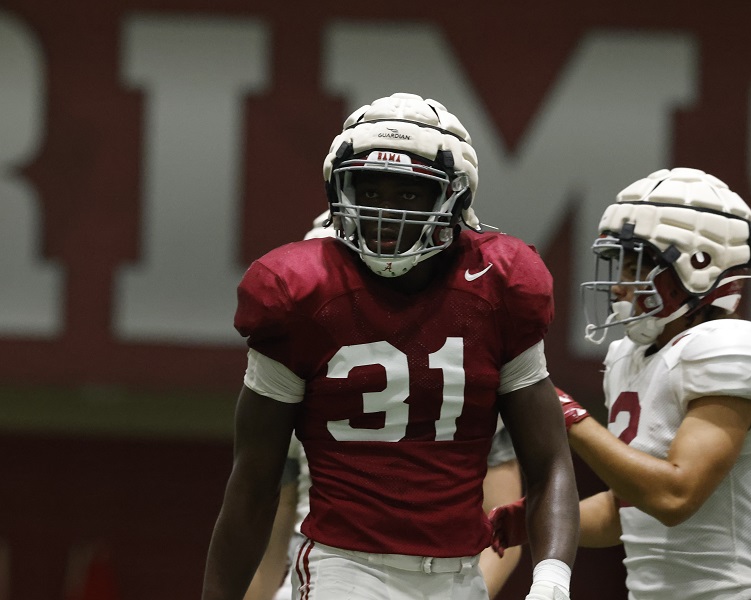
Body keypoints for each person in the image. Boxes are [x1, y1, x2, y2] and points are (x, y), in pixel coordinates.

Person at [201, 92, 578, 600]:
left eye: (407, 194)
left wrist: (553, 575)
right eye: (369, 190)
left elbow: (548, 459)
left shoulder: (498, 285)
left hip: (461, 573)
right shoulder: (299, 292)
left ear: (455, 197)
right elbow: (253, 483)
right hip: (344, 569)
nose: (385, 212)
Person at [492, 167, 751, 599]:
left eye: (637, 263)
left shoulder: (733, 346)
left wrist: (565, 413)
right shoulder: (629, 358)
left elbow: (675, 496)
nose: (618, 285)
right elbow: (627, 509)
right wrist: (532, 520)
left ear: (698, 266)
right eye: (619, 263)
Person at [243, 424, 525, 600]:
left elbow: (502, 533)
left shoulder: (472, 372)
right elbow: (273, 531)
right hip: (324, 579)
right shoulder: (299, 362)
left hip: (442, 583)